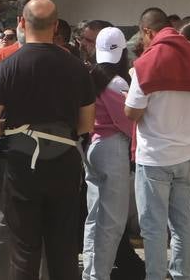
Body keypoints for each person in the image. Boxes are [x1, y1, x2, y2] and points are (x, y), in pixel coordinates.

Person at [0, 0, 94, 280]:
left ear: (21, 23)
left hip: (20, 164)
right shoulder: (76, 68)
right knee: (63, 248)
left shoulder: (6, 67)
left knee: (24, 248)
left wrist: (11, 131)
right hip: (64, 162)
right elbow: (86, 123)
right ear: (55, 27)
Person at [125, 7, 190, 280]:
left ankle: (155, 276)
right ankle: (182, 275)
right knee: (182, 223)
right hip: (186, 153)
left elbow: (132, 111)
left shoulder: (148, 61)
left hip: (154, 156)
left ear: (147, 31)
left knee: (153, 227)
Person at [82, 26, 134, 280]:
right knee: (112, 221)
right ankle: (99, 276)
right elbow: (129, 122)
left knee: (94, 217)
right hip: (113, 149)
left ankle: (91, 274)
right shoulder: (118, 83)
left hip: (92, 146)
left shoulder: (91, 76)